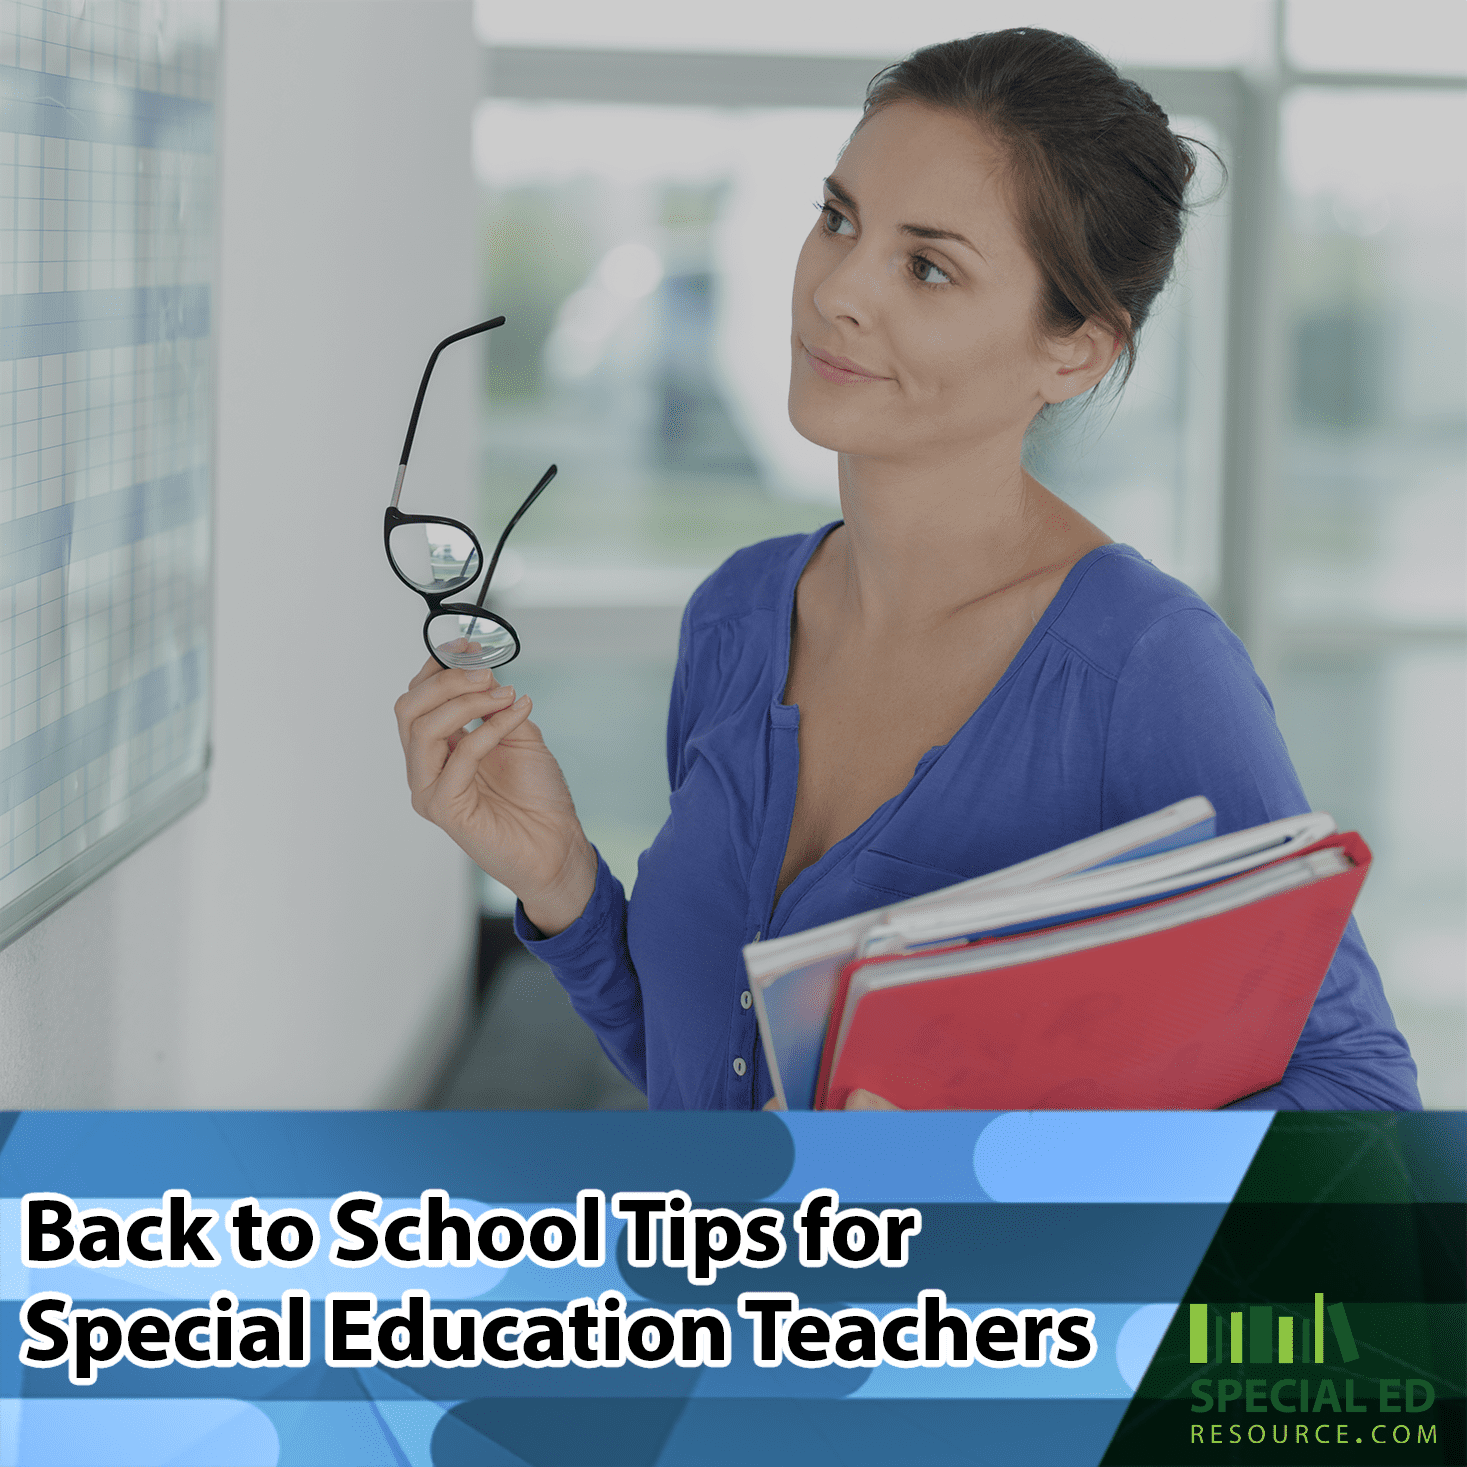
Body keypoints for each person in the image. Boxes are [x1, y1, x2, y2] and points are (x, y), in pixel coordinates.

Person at [394, 28, 1420, 1112]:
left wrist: (1012, 1172)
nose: (837, 287)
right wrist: (560, 877)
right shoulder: (735, 616)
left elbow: (1358, 1096)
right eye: (838, 217)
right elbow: (705, 1078)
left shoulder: (1144, 671)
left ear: (1074, 349)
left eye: (928, 266)